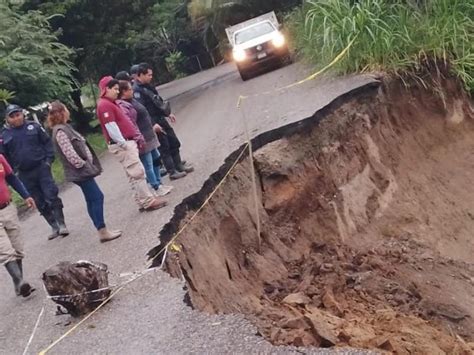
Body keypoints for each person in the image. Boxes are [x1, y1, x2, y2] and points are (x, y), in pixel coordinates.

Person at [47, 101, 122, 243]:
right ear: (62, 112)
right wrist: (83, 164)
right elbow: (69, 153)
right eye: (66, 108)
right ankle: (102, 230)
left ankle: (101, 229)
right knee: (97, 197)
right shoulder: (61, 131)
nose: (68, 111)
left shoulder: (65, 127)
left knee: (91, 198)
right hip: (80, 171)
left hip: (82, 170)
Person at [96, 76, 167, 211]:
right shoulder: (104, 105)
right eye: (115, 89)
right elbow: (111, 126)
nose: (118, 92)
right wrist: (123, 143)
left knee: (133, 175)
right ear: (106, 89)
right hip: (124, 144)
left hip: (126, 142)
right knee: (137, 173)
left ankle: (142, 200)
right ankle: (148, 201)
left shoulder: (110, 103)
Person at [1, 104, 69, 240]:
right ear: (7, 119)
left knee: (51, 194)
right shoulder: (4, 136)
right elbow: (4, 157)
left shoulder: (34, 126)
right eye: (12, 116)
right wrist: (14, 172)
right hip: (24, 173)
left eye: (18, 114)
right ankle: (53, 225)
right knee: (38, 200)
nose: (16, 118)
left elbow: (47, 143)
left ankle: (62, 224)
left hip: (41, 167)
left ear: (22, 114)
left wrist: (48, 161)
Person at [133, 63, 193, 180]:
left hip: (160, 118)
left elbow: (157, 102)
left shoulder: (148, 86)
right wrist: (152, 124)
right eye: (149, 75)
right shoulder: (137, 91)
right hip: (153, 122)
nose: (151, 77)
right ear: (141, 75)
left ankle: (179, 165)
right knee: (164, 147)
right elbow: (142, 111)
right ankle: (172, 171)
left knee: (173, 141)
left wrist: (167, 113)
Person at [117, 80, 173, 197]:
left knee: (156, 159)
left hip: (150, 135)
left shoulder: (132, 101)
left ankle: (159, 183)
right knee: (148, 164)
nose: (132, 91)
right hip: (142, 138)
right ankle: (155, 187)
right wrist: (138, 137)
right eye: (129, 89)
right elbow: (130, 123)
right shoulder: (123, 106)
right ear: (123, 92)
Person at [0, 153, 36, 297]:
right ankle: (20, 281)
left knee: (18, 248)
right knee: (6, 250)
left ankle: (18, 284)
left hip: (7, 208)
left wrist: (26, 195)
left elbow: (11, 178)